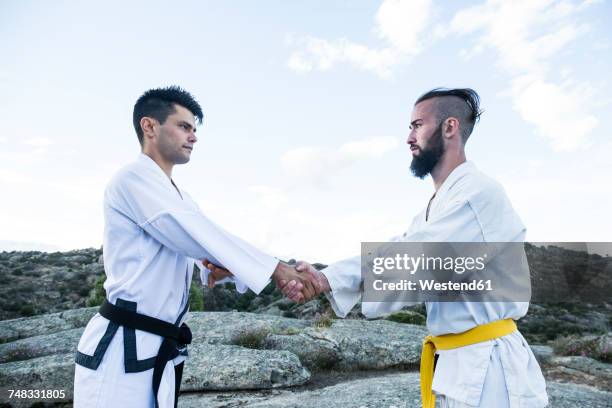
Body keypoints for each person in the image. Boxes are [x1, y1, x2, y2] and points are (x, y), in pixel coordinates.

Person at [217, 88, 549, 407]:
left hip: (490, 372)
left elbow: (418, 256)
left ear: (450, 127)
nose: (408, 138)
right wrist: (322, 276)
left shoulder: (478, 194)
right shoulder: (437, 207)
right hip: (458, 365)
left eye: (417, 125)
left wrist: (323, 280)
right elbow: (400, 249)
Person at [73, 86, 318, 408]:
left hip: (157, 345)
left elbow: (193, 247)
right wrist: (277, 269)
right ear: (149, 126)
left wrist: (215, 267)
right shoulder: (132, 178)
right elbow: (194, 234)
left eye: (194, 129)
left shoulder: (178, 194)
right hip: (122, 348)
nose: (193, 137)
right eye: (184, 126)